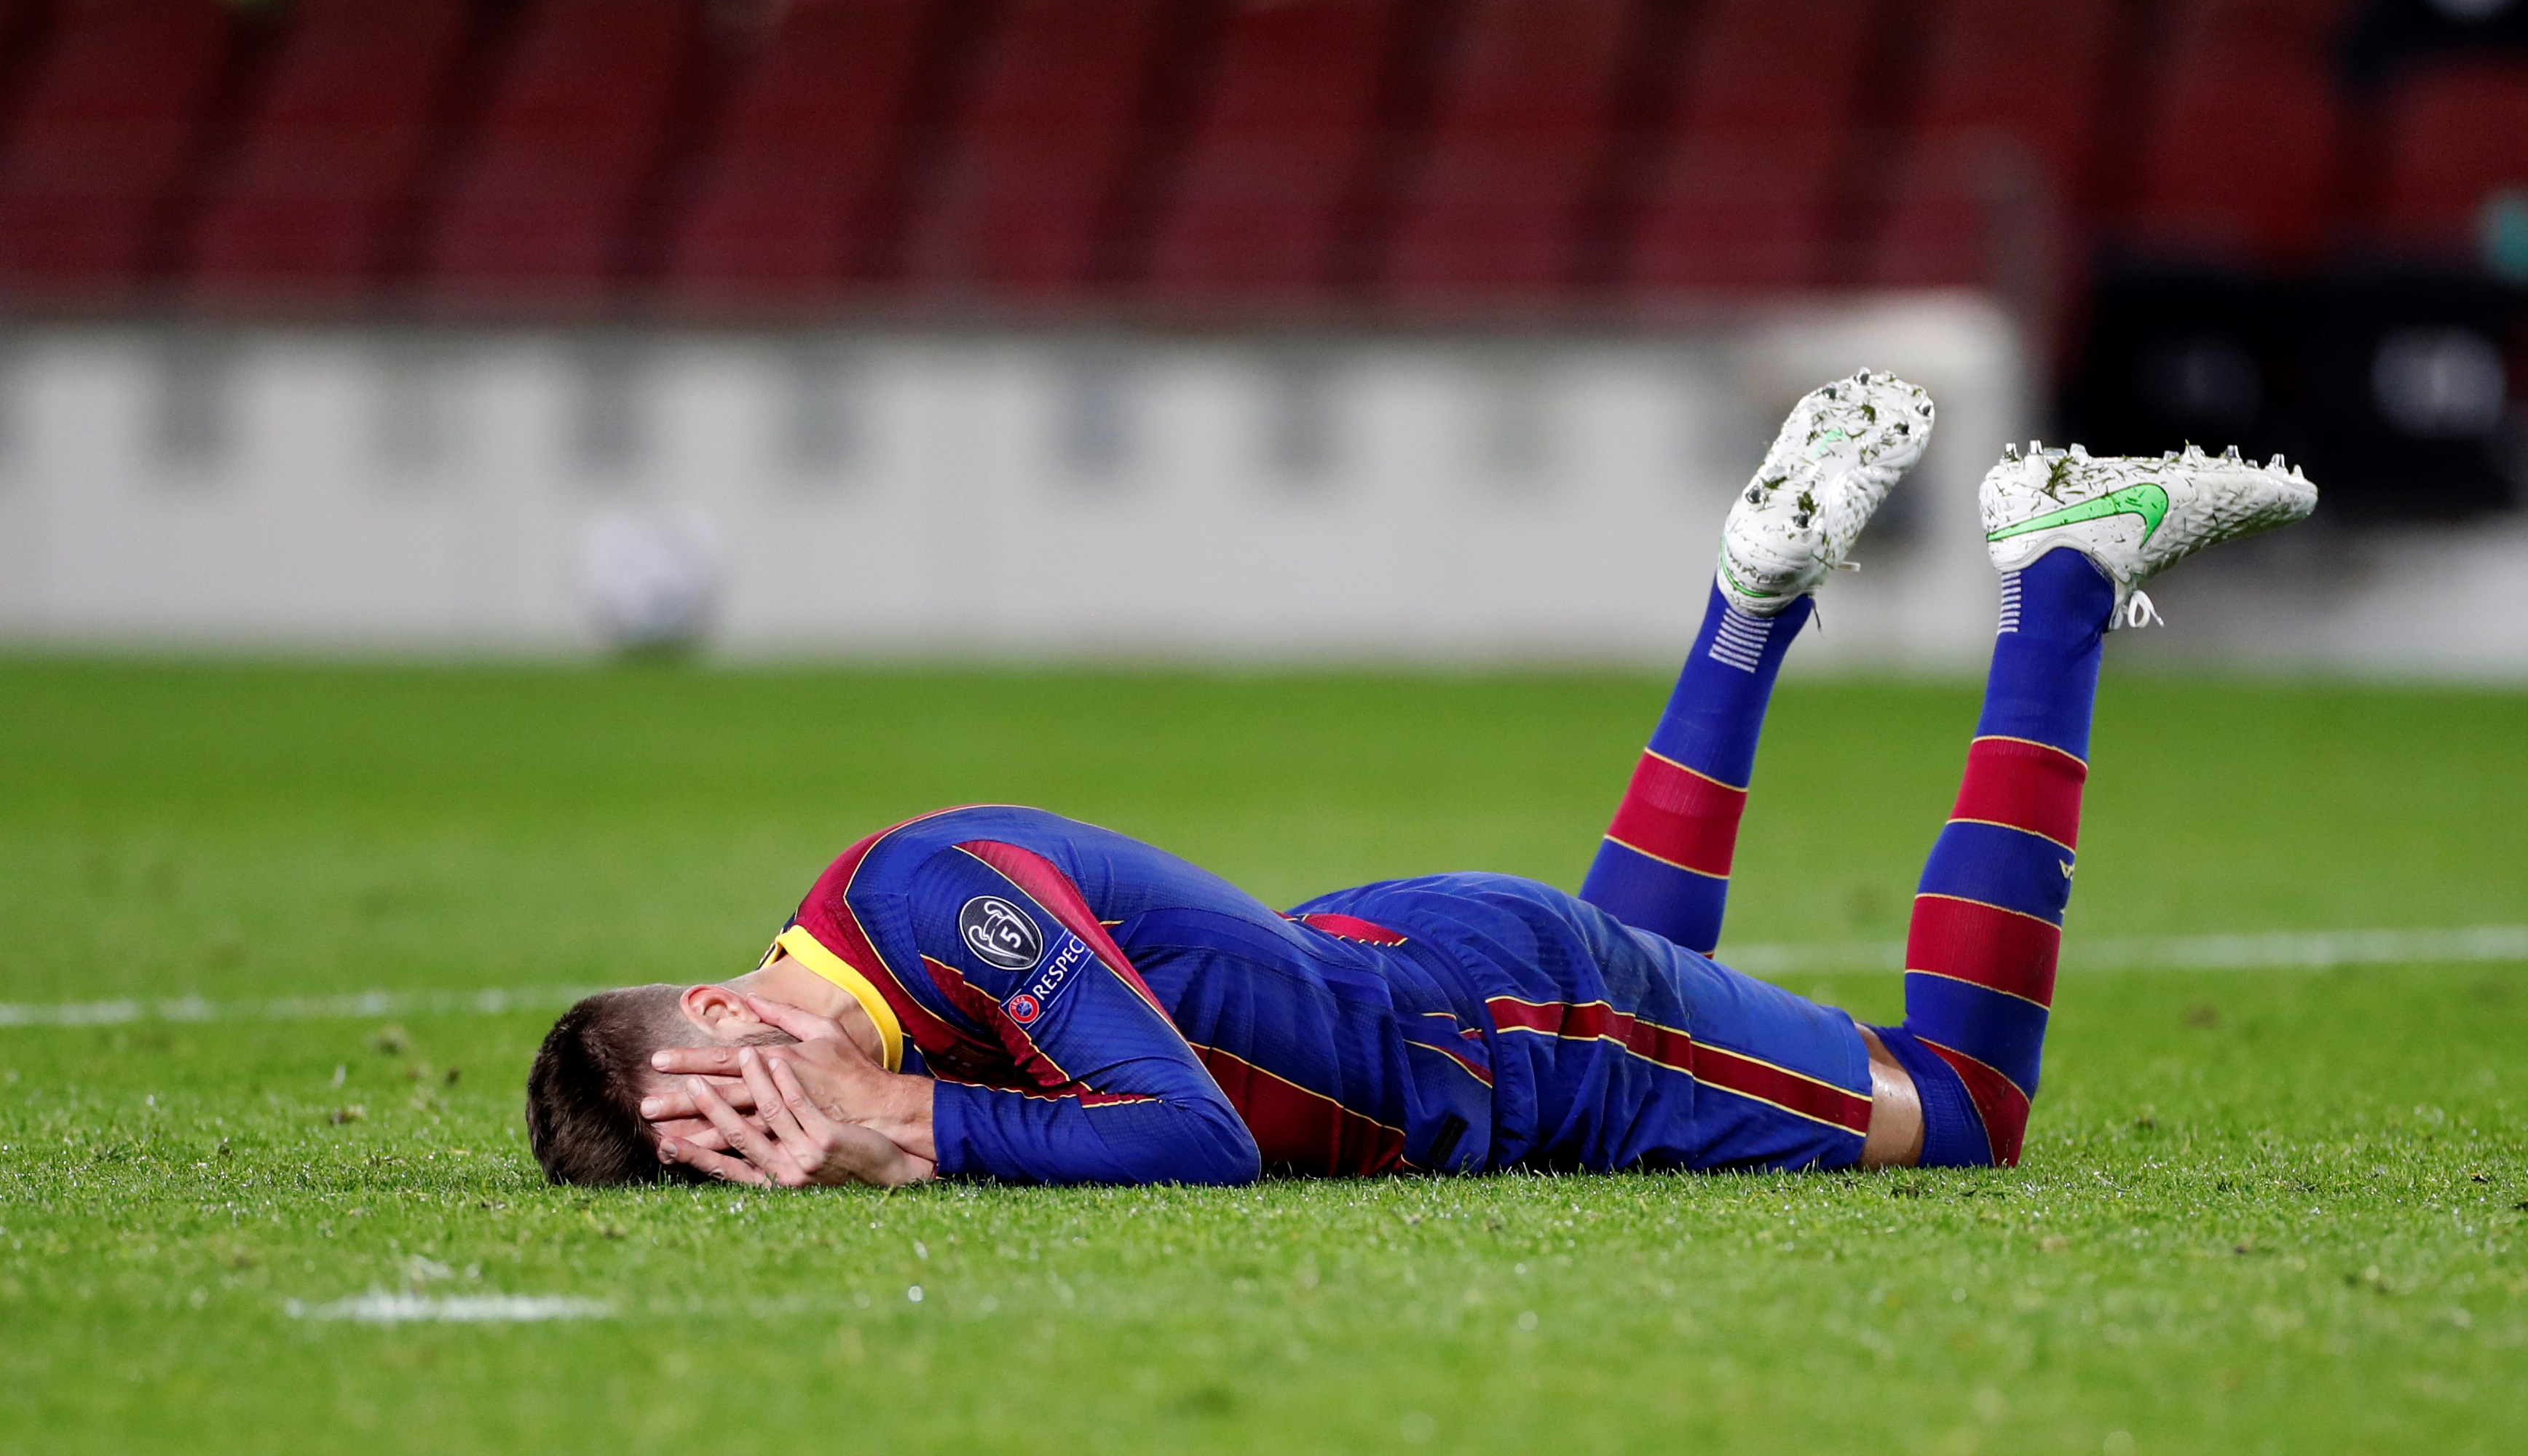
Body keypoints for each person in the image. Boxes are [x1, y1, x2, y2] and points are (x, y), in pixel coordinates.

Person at [524, 371, 2318, 1188]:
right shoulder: (880, 982)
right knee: (1648, 974)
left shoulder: (932, 910)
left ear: (717, 1002)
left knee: (1962, 1113)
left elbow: (1190, 1138)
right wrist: (846, 1118)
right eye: (730, 1163)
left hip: (1502, 1028)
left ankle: (2061, 576)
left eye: (735, 1101)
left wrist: (894, 1138)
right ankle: (1749, 602)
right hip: (1436, 979)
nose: (775, 1135)